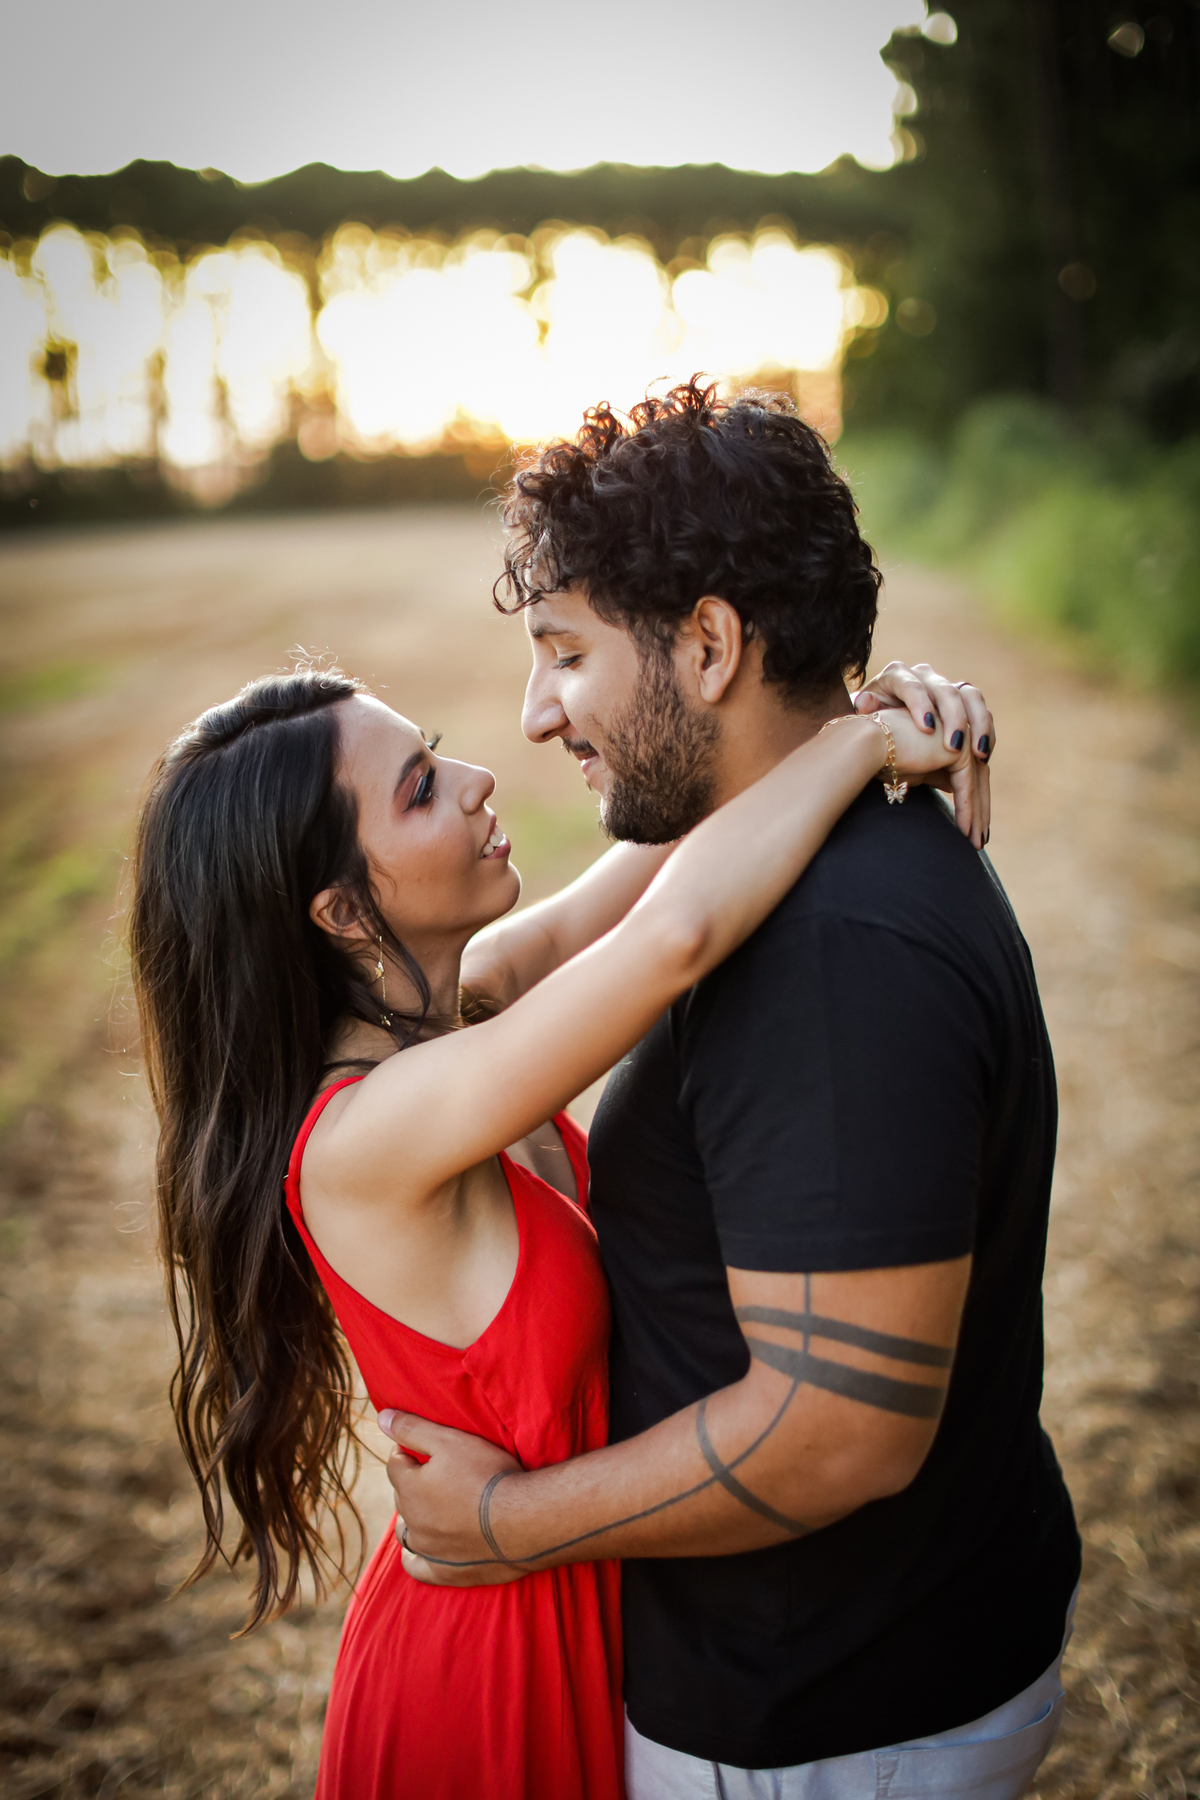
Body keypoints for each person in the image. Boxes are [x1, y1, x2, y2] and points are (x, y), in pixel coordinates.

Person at [380, 382, 1083, 1800]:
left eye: (565, 656)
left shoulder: (832, 952)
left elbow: (838, 1432)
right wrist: (846, 737)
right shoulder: (784, 865)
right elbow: (504, 984)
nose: (533, 717)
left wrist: (507, 1525)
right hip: (826, 1683)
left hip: (832, 1723)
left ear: (708, 644)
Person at [129, 638, 980, 1792]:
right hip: (484, 1662)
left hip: (571, 1601)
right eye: (422, 787)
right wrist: (871, 744)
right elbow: (676, 940)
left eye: (431, 752)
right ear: (339, 910)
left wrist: (856, 717)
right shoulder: (364, 1139)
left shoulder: (462, 1013)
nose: (476, 776)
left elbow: (682, 861)